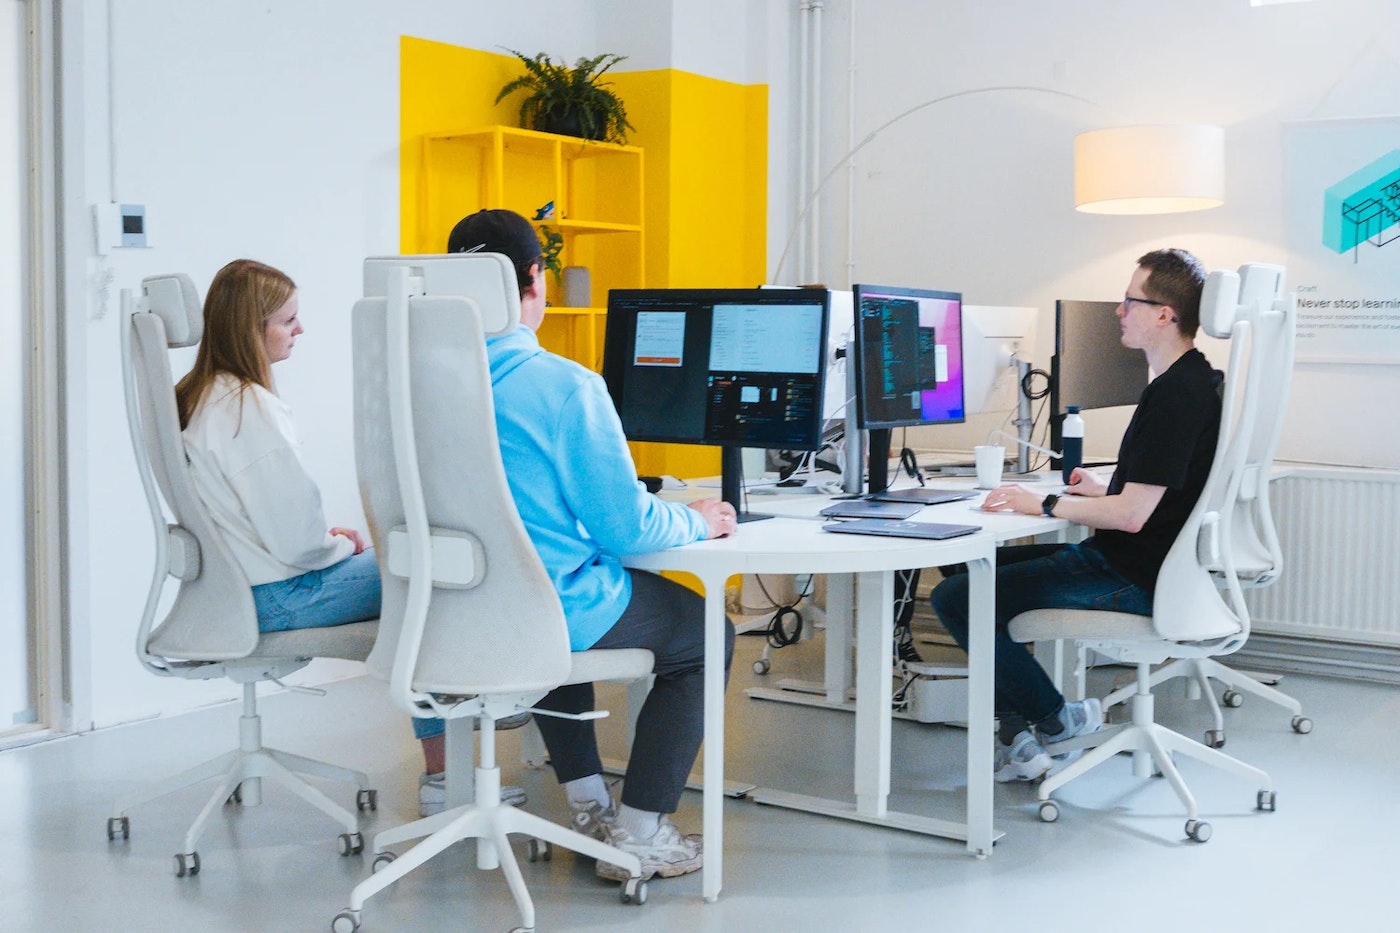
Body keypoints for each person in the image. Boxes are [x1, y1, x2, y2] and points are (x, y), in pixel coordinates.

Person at [434, 208, 738, 883]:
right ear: (535, 279)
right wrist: (697, 519)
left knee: (573, 603)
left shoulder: (418, 382)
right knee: (702, 631)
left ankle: (589, 805)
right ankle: (640, 831)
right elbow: (625, 529)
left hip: (451, 604)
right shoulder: (565, 386)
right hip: (547, 607)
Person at [930, 248, 1221, 783]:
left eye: (1131, 300)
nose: (1119, 310)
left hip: (1130, 574)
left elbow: (1132, 516)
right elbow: (1163, 490)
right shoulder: (1195, 380)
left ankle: (1053, 720)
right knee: (966, 565)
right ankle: (1019, 736)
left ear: (1165, 314)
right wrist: (1101, 487)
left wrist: (1041, 501)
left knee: (956, 596)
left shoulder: (1176, 395)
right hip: (1150, 562)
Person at [176, 259, 382, 635]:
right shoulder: (247, 409)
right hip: (281, 597)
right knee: (427, 569)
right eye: (288, 321)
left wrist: (325, 542)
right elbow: (297, 546)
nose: (300, 329)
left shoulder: (204, 396)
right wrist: (337, 545)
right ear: (251, 330)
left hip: (241, 591)